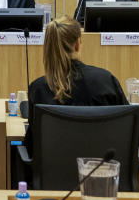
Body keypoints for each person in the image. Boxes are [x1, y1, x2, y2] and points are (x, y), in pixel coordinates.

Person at [25, 17, 129, 150]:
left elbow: (32, 144)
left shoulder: (38, 88)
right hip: (102, 167)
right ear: (77, 44)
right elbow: (132, 126)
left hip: (56, 169)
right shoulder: (105, 80)